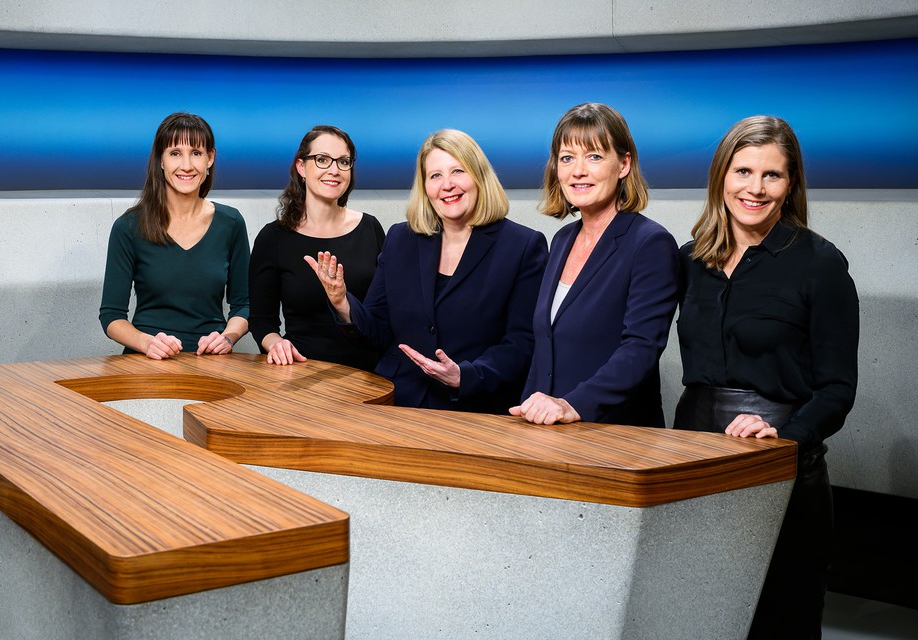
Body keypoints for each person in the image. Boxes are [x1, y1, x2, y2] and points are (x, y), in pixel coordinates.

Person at [673, 115, 859, 639]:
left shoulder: (820, 264)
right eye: (743, 171)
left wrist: (784, 436)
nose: (755, 188)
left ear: (791, 183)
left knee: (780, 621)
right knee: (695, 617)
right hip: (691, 460)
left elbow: (838, 389)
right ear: (721, 176)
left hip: (781, 467)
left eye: (771, 175)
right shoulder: (689, 260)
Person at [307, 129, 546, 413]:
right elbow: (378, 330)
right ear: (424, 187)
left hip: (475, 407)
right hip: (398, 398)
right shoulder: (400, 239)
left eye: (458, 171)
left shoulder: (523, 246)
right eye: (435, 176)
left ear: (479, 176)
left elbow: (521, 343)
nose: (447, 185)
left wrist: (465, 376)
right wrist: (342, 302)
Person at [512, 103, 680, 427]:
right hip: (551, 431)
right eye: (567, 158)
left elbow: (641, 349)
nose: (578, 171)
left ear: (624, 164)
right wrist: (529, 410)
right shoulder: (562, 240)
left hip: (616, 434)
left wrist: (572, 405)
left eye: (594, 156)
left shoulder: (650, 243)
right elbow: (545, 348)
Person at [99, 112, 250, 359]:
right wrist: (147, 343)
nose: (187, 165)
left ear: (210, 158)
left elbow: (244, 305)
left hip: (210, 361)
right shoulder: (128, 227)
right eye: (175, 153)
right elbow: (111, 316)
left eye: (196, 153)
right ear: (161, 160)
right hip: (146, 361)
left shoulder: (231, 223)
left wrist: (227, 337)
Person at [249, 126, 385, 369]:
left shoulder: (371, 229)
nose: (334, 170)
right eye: (322, 160)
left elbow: (385, 315)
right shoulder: (273, 238)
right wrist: (276, 344)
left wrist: (342, 302)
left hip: (368, 374)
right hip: (300, 373)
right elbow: (261, 321)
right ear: (301, 168)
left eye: (343, 161)